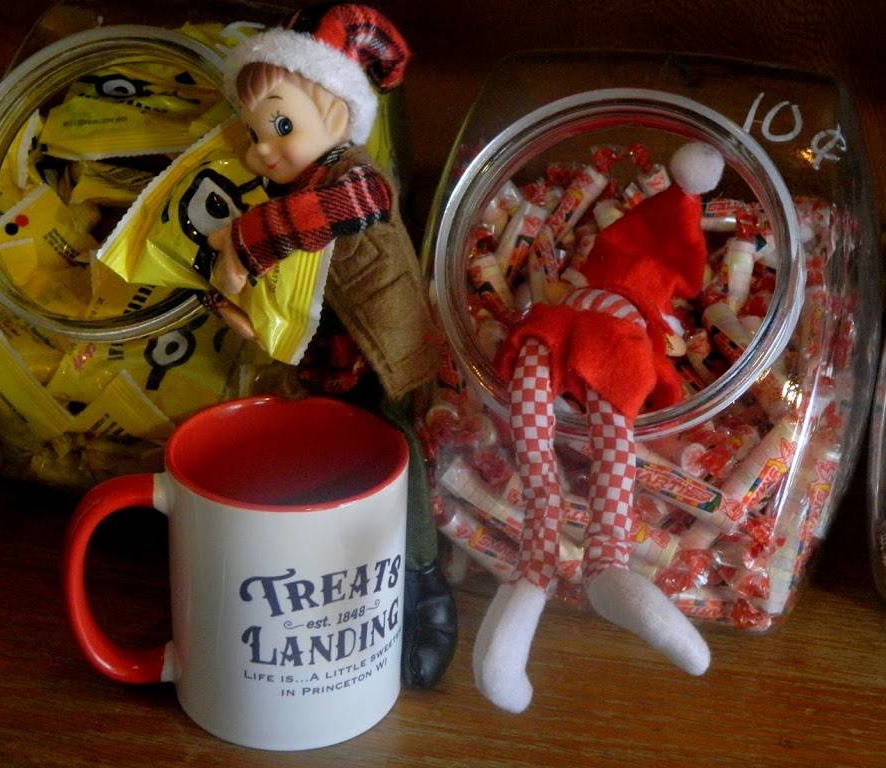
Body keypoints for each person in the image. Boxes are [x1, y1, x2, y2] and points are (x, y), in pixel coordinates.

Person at [206, 2, 456, 689]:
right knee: (331, 456)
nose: (264, 149)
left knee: (398, 456)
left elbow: (336, 215)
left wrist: (244, 242)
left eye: (282, 126)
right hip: (329, 362)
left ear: (339, 116)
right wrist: (243, 313)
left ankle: (423, 581)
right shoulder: (292, 194)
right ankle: (340, 583)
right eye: (256, 133)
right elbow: (293, 291)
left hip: (382, 357)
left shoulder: (353, 179)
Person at [474, 142, 726, 713]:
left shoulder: (584, 285)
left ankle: (553, 577)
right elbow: (667, 342)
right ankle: (606, 568)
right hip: (610, 345)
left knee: (542, 475)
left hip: (558, 330)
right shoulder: (652, 315)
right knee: (612, 455)